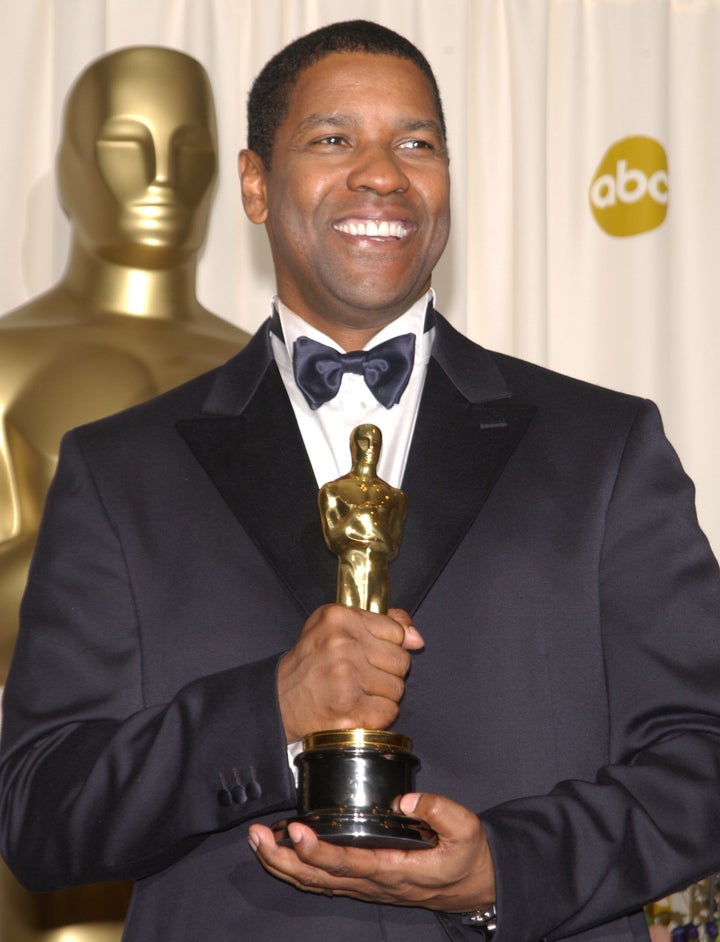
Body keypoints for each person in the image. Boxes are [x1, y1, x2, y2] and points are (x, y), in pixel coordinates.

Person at [1, 19, 719, 942]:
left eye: (415, 143)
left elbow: (702, 755)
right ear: (256, 185)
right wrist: (267, 713)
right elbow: (41, 811)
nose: (382, 173)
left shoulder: (604, 447)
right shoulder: (119, 469)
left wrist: (508, 869)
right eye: (334, 139)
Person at [0, 46, 247, 942]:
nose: (161, 175)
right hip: (55, 831)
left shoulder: (270, 375)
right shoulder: (9, 364)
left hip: (244, 830)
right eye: (125, 142)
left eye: (189, 148)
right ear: (70, 165)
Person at [319, 424, 407, 612]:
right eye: (363, 441)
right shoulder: (333, 490)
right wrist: (360, 515)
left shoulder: (394, 496)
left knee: (379, 627)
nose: (370, 448)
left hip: (378, 570)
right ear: (353, 445)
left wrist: (368, 524)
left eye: (375, 442)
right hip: (350, 566)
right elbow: (333, 538)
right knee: (348, 624)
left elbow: (392, 547)